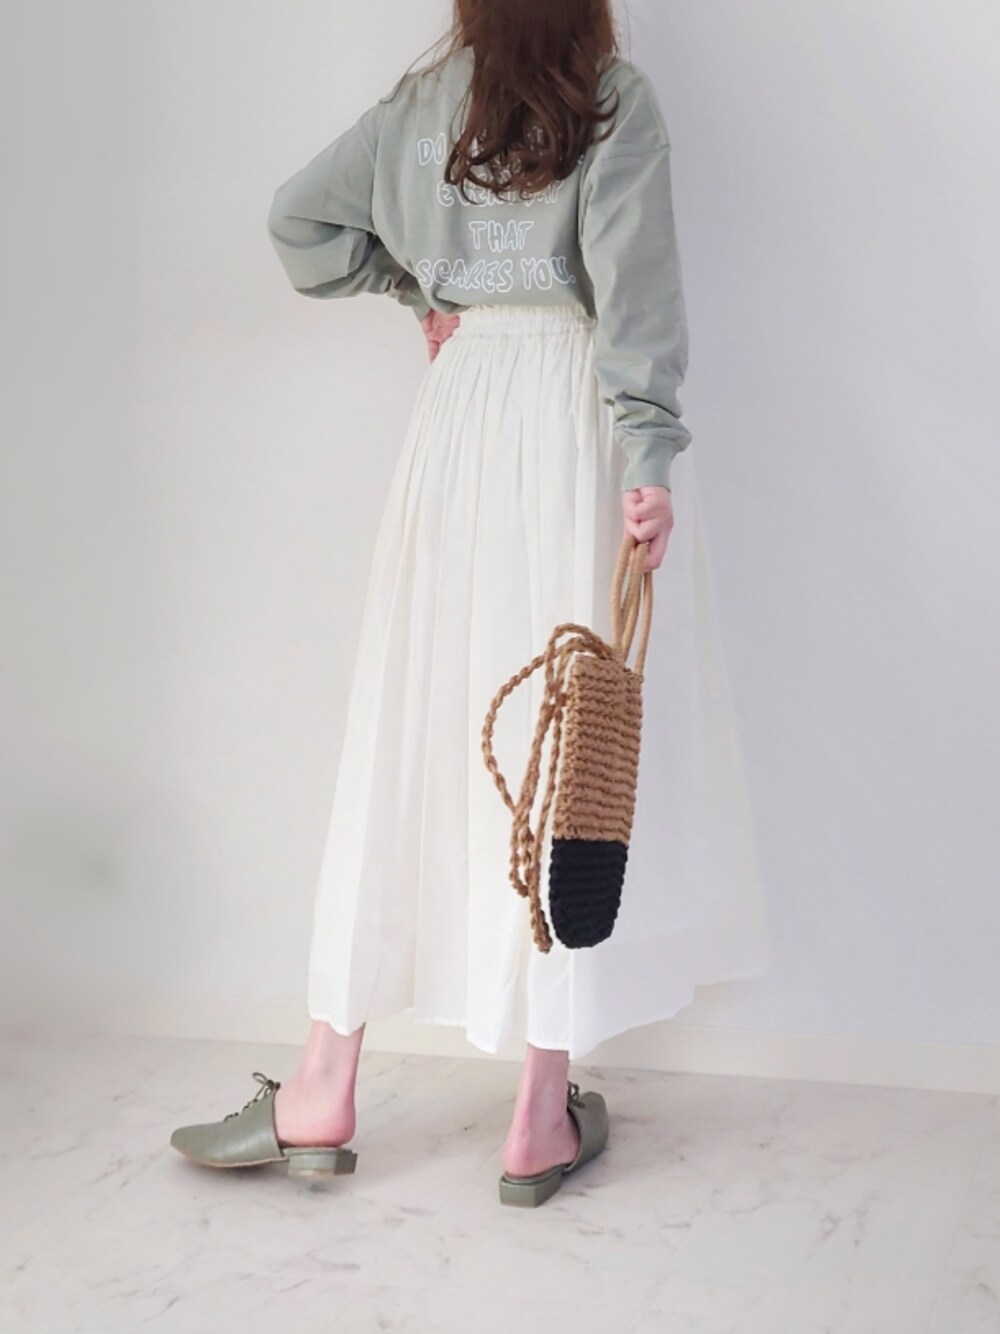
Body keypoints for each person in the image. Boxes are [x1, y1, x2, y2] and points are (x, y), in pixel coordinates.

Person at [169, 0, 771, 1208]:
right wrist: (647, 456)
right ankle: (538, 1114)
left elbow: (300, 221)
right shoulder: (612, 104)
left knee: (412, 724)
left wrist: (421, 290)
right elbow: (634, 294)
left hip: (462, 418)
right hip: (577, 425)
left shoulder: (422, 107)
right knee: (569, 753)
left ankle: (321, 1084)